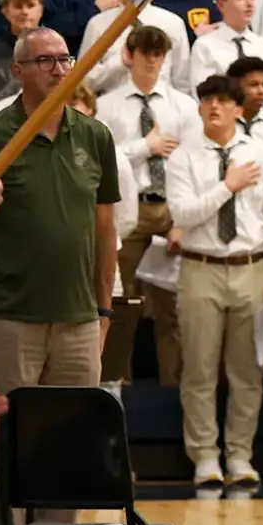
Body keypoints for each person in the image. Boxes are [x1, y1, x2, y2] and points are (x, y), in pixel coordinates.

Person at [0, 27, 119, 525]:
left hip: (78, 316)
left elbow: (105, 226)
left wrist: (104, 307)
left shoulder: (94, 135)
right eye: (46, 60)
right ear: (19, 71)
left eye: (66, 58)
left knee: (68, 447)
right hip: (11, 313)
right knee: (10, 444)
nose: (60, 68)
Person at [167, 73, 263, 495]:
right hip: (200, 266)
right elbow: (182, 215)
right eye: (206, 100)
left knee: (246, 369)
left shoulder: (262, 155)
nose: (213, 107)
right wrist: (227, 185)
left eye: (222, 101)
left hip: (251, 266)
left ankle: (239, 454)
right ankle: (204, 456)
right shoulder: (184, 157)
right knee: (199, 368)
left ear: (239, 109)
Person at [95, 22, 198, 385]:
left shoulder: (184, 107)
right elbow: (102, 161)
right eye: (146, 53)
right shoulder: (107, 106)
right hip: (127, 207)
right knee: (120, 304)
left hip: (170, 206)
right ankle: (119, 386)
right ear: (131, 56)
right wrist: (145, 147)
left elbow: (194, 162)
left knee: (172, 310)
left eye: (159, 54)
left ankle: (172, 387)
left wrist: (182, 221)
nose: (153, 61)